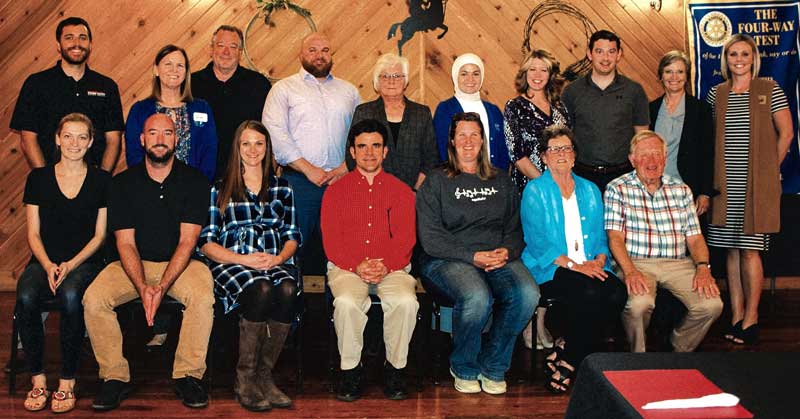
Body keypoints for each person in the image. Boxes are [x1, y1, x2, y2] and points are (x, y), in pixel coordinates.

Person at [83, 113, 213, 411]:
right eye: (152, 133)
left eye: (167, 133)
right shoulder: (122, 184)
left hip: (180, 264)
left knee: (203, 297)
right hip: (132, 263)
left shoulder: (194, 181)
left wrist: (162, 285)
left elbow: (187, 241)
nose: (159, 139)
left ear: (176, 140)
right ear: (142, 140)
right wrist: (143, 286)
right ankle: (114, 376)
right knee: (94, 299)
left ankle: (188, 375)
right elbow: (125, 242)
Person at [417, 112, 539, 395]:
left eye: (474, 135)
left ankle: (494, 364)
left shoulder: (502, 180)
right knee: (476, 296)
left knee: (528, 294)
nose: (468, 141)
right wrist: (472, 257)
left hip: (497, 256)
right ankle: (464, 365)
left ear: (483, 140)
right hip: (446, 259)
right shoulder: (436, 181)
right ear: (452, 141)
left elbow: (515, 229)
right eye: (462, 135)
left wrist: (506, 251)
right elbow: (431, 239)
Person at [198, 120, 300, 411]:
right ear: (237, 148)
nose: (253, 150)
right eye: (246, 143)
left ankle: (264, 376)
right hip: (233, 263)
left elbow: (292, 236)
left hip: (273, 260)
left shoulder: (282, 188)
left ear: (267, 148)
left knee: (288, 288)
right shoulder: (220, 188)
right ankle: (245, 378)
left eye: (259, 143)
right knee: (263, 289)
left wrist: (279, 258)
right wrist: (243, 259)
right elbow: (207, 242)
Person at [520, 125, 626, 394]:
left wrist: (600, 259)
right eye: (554, 150)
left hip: (589, 263)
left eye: (566, 148)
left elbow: (602, 236)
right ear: (543, 157)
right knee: (590, 292)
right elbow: (537, 242)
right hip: (550, 266)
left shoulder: (590, 189)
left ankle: (567, 353)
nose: (561, 154)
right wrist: (576, 266)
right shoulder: (535, 190)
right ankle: (569, 362)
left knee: (616, 292)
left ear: (575, 155)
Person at [17, 113, 110, 413]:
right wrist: (47, 265)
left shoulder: (101, 180)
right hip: (44, 260)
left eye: (82, 137)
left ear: (91, 142)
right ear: (57, 139)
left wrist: (70, 264)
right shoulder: (38, 178)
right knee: (27, 296)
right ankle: (38, 378)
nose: (74, 143)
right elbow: (32, 232)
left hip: (84, 262)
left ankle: (67, 381)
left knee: (71, 296)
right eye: (67, 136)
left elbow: (99, 236)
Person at [321, 119, 418, 402]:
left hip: (393, 266)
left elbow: (405, 239)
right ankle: (351, 370)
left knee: (406, 302)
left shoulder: (401, 191)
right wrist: (357, 265)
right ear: (352, 152)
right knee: (348, 303)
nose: (369, 153)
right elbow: (332, 241)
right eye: (362, 146)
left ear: (385, 151)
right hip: (346, 266)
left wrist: (385, 265)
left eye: (376, 146)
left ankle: (395, 369)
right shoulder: (335, 192)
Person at [705, 34, 793, 345]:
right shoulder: (718, 93)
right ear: (725, 59)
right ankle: (736, 315)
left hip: (755, 185)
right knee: (731, 251)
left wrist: (771, 167)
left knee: (751, 251)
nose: (738, 59)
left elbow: (787, 132)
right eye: (732, 54)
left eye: (744, 54)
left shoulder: (770, 89)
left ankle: (752, 317)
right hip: (724, 184)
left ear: (753, 57)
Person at [605, 131, 723, 353]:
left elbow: (695, 237)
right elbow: (615, 238)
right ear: (632, 159)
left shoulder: (681, 190)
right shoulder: (617, 188)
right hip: (636, 261)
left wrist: (703, 267)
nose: (651, 161)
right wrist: (629, 271)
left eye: (657, 155)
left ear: (665, 159)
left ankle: (678, 349)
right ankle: (638, 356)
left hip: (678, 263)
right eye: (645, 155)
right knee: (639, 304)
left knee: (712, 304)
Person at [262, 32, 360, 270]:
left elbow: (362, 134)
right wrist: (308, 169)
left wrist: (346, 167)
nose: (319, 55)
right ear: (301, 55)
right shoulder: (283, 89)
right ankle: (291, 305)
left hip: (341, 181)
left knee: (341, 252)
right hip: (298, 183)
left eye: (325, 50)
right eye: (312, 50)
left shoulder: (349, 92)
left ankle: (337, 306)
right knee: (292, 249)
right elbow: (274, 131)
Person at [10, 17, 124, 171]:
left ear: (90, 45)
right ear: (59, 45)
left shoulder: (107, 86)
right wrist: (45, 180)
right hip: (49, 182)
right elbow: (28, 138)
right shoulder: (36, 84)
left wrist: (101, 180)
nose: (76, 43)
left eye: (82, 38)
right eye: (69, 38)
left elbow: (113, 139)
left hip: (94, 183)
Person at [562, 30, 649, 190]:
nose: (606, 58)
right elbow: (565, 135)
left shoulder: (634, 91)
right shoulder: (572, 91)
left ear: (619, 54)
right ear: (589, 54)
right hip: (582, 176)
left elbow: (642, 138)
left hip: (624, 175)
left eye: (611, 51)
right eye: (599, 51)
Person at [126, 44, 218, 182]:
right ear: (156, 70)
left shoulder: (202, 108)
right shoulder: (139, 110)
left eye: (180, 65)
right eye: (168, 64)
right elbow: (134, 153)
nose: (174, 70)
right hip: (149, 190)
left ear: (186, 72)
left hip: (192, 189)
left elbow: (209, 151)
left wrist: (200, 185)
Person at [348, 53, 438, 190]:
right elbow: (352, 155)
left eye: (397, 76)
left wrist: (414, 191)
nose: (391, 81)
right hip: (372, 192)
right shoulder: (364, 112)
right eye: (385, 76)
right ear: (377, 82)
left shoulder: (421, 113)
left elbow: (431, 157)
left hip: (413, 193)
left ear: (405, 81)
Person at [192, 25, 271, 177]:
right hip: (201, 174)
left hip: (246, 174)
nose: (226, 52)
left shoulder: (259, 85)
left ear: (240, 53)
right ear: (211, 49)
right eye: (220, 45)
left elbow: (269, 131)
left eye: (233, 47)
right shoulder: (191, 84)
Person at [648, 50, 714, 216]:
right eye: (668, 71)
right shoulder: (651, 109)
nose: (674, 77)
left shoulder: (701, 109)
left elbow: (707, 153)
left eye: (680, 71)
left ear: (687, 76)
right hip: (654, 188)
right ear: (661, 76)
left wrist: (705, 192)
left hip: (688, 189)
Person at [504, 49, 571, 193]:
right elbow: (516, 155)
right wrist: (545, 184)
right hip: (531, 186)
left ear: (550, 74)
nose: (537, 75)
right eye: (532, 69)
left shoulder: (560, 106)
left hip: (562, 183)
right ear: (525, 73)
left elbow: (569, 147)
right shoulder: (514, 107)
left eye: (543, 70)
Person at [433, 53, 510, 171]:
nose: (470, 79)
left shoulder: (494, 111)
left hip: (492, 181)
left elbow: (503, 150)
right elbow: (442, 150)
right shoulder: (445, 109)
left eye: (476, 74)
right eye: (464, 74)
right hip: (458, 180)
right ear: (455, 76)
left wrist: (500, 178)